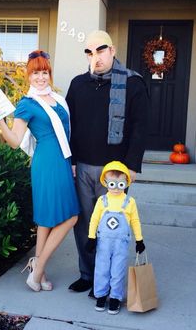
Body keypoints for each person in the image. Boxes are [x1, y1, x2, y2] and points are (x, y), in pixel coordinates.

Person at [0, 50, 80, 292]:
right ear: (28, 76)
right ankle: (37, 270)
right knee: (71, 216)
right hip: (47, 163)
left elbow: (69, 134)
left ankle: (38, 271)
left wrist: (72, 162)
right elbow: (16, 141)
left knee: (47, 221)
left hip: (62, 160)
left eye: (44, 72)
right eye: (35, 72)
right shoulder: (27, 104)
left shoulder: (58, 100)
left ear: (49, 73)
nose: (40, 77)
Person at [66, 30, 149, 297]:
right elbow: (71, 125)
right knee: (85, 223)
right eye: (89, 52)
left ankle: (106, 281)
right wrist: (72, 160)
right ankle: (87, 275)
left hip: (116, 171)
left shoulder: (133, 84)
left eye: (100, 50)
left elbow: (140, 127)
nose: (95, 57)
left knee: (112, 226)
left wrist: (132, 166)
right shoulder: (78, 84)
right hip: (83, 167)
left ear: (112, 50)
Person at [86, 161, 145, 314]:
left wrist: (139, 239)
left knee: (117, 270)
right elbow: (94, 219)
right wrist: (91, 237)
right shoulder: (102, 201)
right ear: (105, 182)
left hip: (121, 243)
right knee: (102, 269)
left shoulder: (129, 202)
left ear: (126, 183)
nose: (116, 188)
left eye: (120, 184)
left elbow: (135, 221)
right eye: (112, 184)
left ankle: (115, 298)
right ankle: (101, 295)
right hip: (103, 243)